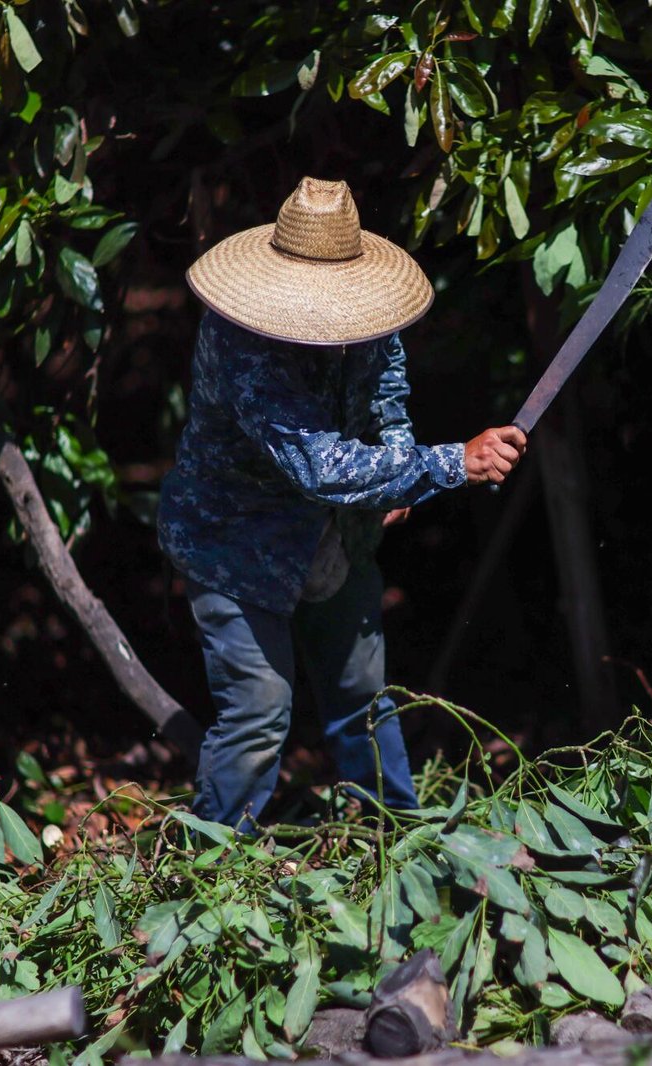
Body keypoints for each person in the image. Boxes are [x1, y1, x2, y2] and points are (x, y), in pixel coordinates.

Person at [158, 176, 526, 831]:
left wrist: (397, 463)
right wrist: (449, 463)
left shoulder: (368, 319)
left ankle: (396, 838)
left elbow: (386, 391)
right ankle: (211, 867)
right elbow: (319, 466)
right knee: (260, 709)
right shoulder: (244, 346)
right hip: (236, 543)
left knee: (363, 691)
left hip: (337, 539)